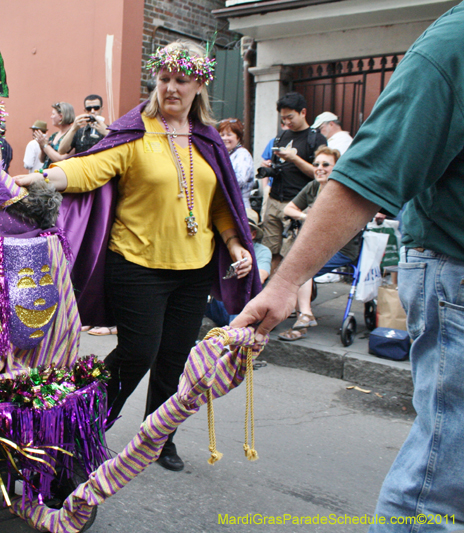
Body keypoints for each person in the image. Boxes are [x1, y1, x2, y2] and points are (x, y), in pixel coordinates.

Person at [231, 3, 464, 529]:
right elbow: (364, 177)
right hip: (455, 272)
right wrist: (287, 281)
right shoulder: (454, 45)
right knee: (442, 487)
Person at [16, 40, 260, 472]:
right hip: (136, 264)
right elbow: (86, 168)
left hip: (194, 270)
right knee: (137, 353)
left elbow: (220, 204)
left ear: (199, 84)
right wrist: (37, 179)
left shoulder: (207, 139)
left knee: (173, 359)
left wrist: (235, 244)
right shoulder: (135, 131)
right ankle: (84, 426)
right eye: (163, 79)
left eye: (180, 80)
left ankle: (158, 435)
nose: (170, 88)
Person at [277, 146, 361, 341]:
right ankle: (304, 315)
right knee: (299, 266)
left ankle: (301, 323)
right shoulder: (313, 187)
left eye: (326, 164)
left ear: (336, 167)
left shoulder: (342, 190)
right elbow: (289, 209)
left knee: (302, 267)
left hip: (340, 248)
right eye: (316, 164)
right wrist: (305, 216)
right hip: (316, 246)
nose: (319, 168)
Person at [260, 92, 326, 272]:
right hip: (274, 201)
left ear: (303, 112)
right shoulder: (281, 136)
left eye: (290, 117)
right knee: (269, 251)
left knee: (291, 256)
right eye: (283, 118)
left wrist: (294, 159)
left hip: (297, 204)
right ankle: (269, 291)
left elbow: (320, 174)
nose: (287, 122)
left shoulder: (316, 139)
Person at [204, 208, 272, 327]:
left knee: (240, 292)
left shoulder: (262, 250)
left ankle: (233, 338)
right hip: (219, 304)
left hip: (248, 306)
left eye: (243, 230)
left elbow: (261, 277)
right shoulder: (221, 249)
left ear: (253, 234)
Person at [217, 118, 256, 208]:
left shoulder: (242, 154)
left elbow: (239, 180)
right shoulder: (223, 154)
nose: (225, 138)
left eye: (229, 135)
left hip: (239, 205)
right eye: (222, 135)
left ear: (238, 137)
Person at [36, 102, 75, 169]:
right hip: (47, 175)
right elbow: (42, 160)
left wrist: (45, 146)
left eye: (53, 114)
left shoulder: (73, 135)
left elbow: (61, 160)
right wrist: (42, 147)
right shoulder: (54, 135)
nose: (51, 117)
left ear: (61, 117)